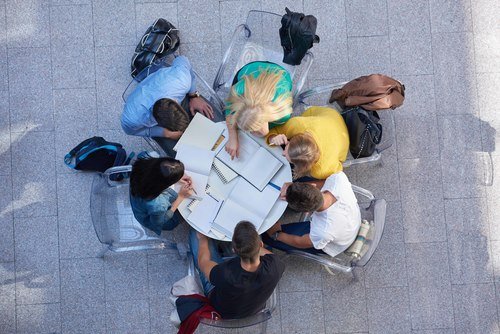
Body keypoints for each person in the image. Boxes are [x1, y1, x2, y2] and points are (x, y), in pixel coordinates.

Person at [121, 55, 215, 156]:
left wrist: (193, 95)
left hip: (169, 82)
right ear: (157, 122)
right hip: (139, 101)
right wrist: (165, 133)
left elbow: (182, 59)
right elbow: (130, 131)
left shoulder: (181, 80)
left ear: (176, 103)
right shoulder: (132, 119)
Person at [189, 221, 285, 319]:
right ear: (261, 244)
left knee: (195, 230)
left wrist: (203, 240)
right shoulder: (276, 265)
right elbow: (268, 254)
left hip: (222, 310)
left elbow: (203, 262)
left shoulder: (225, 273)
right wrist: (251, 246)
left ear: (234, 250)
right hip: (254, 308)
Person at [262, 172, 361, 257]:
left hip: (341, 240)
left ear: (306, 212)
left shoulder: (322, 231)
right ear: (313, 186)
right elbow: (324, 182)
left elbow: (300, 242)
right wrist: (293, 187)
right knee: (302, 179)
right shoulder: (338, 179)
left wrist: (276, 234)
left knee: (267, 236)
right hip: (352, 217)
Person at [224, 61, 293, 159]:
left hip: (280, 75)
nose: (250, 134)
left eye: (252, 131)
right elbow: (229, 111)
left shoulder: (283, 113)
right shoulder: (239, 90)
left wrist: (269, 136)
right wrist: (232, 136)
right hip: (251, 71)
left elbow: (273, 131)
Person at [266, 106, 349, 180]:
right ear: (297, 137)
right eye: (288, 143)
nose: (283, 152)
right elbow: (273, 130)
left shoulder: (321, 170)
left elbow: (338, 172)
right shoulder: (297, 124)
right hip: (330, 116)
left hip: (335, 122)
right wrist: (273, 138)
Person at [129, 157, 193, 235]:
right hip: (152, 219)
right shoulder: (158, 205)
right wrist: (180, 197)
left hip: (138, 203)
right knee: (185, 211)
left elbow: (159, 173)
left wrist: (176, 176)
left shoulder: (142, 167)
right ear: (163, 184)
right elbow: (160, 221)